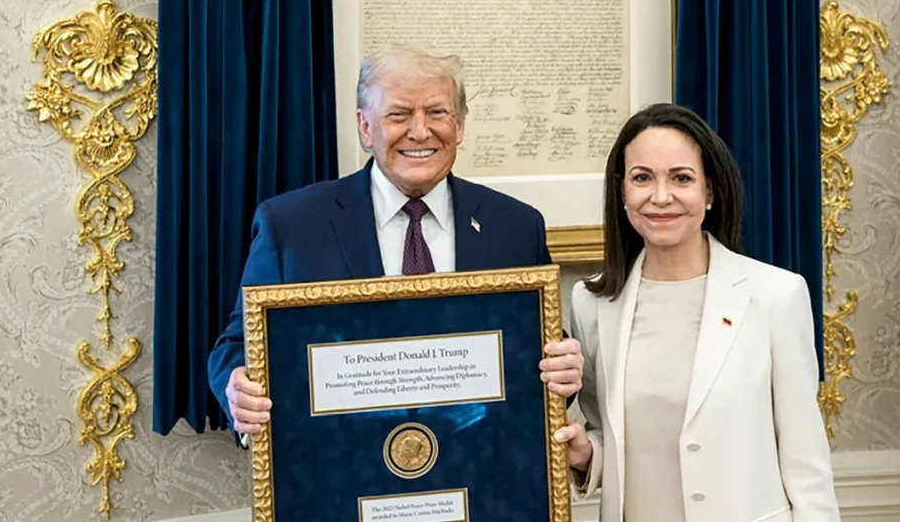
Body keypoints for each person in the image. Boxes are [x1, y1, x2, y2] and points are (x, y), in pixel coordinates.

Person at [206, 45, 584, 445]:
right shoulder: (291, 226)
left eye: (437, 113)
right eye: (399, 115)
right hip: (337, 474)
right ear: (365, 127)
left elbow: (540, 354)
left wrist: (563, 373)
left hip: (480, 469)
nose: (420, 132)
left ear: (459, 126)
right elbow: (238, 345)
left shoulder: (515, 226)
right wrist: (238, 388)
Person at [554, 103, 840, 521]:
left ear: (709, 192)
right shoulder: (592, 302)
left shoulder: (776, 296)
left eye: (681, 178)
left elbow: (806, 462)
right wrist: (585, 454)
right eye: (642, 178)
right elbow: (612, 435)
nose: (661, 196)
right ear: (621, 192)